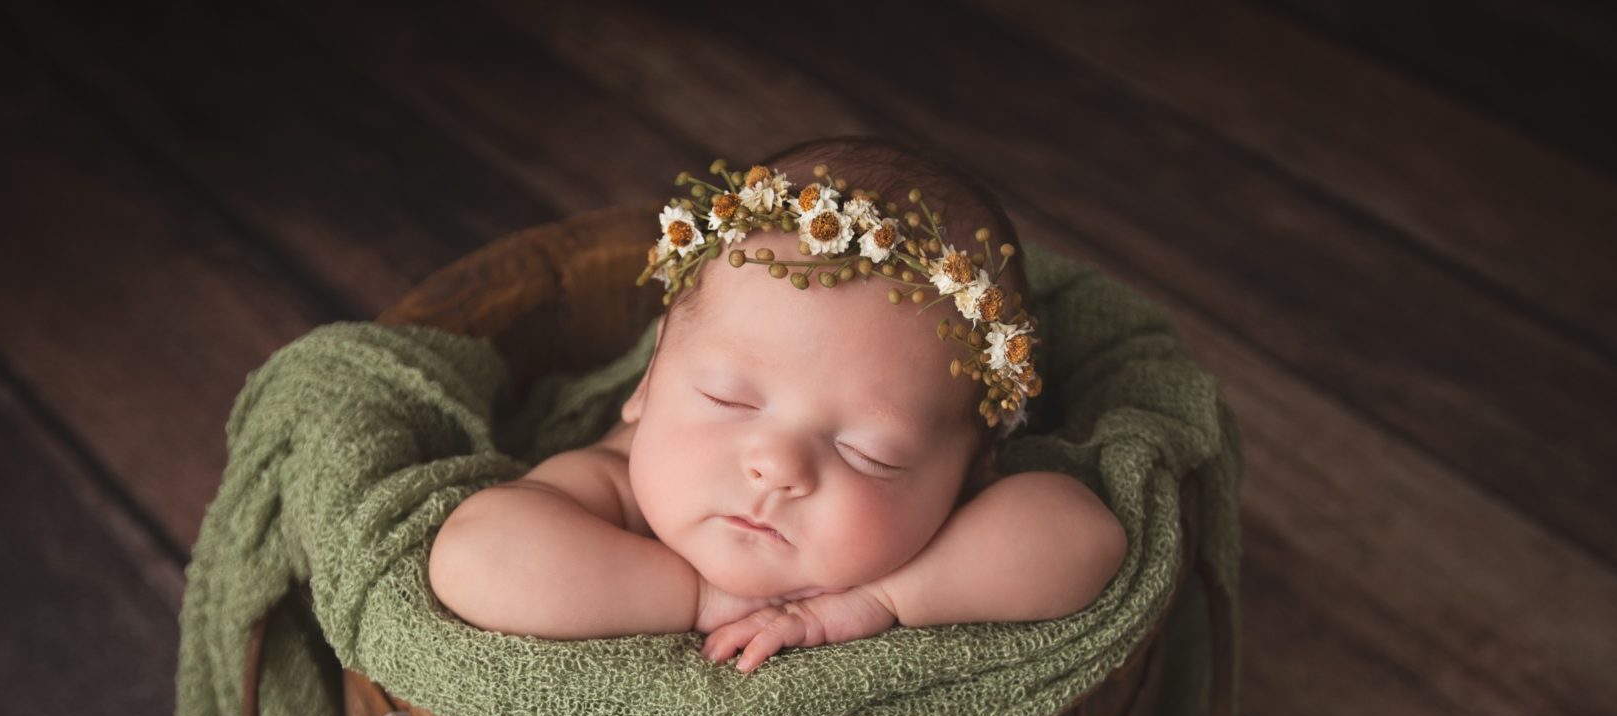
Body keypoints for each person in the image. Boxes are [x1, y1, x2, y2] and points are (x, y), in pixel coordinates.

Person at [428, 136, 1127, 673]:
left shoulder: (930, 534)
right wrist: (699, 600)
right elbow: (474, 557)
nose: (776, 464)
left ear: (971, 473)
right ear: (647, 384)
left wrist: (881, 600)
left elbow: (1084, 539)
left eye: (868, 452)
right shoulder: (618, 486)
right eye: (726, 398)